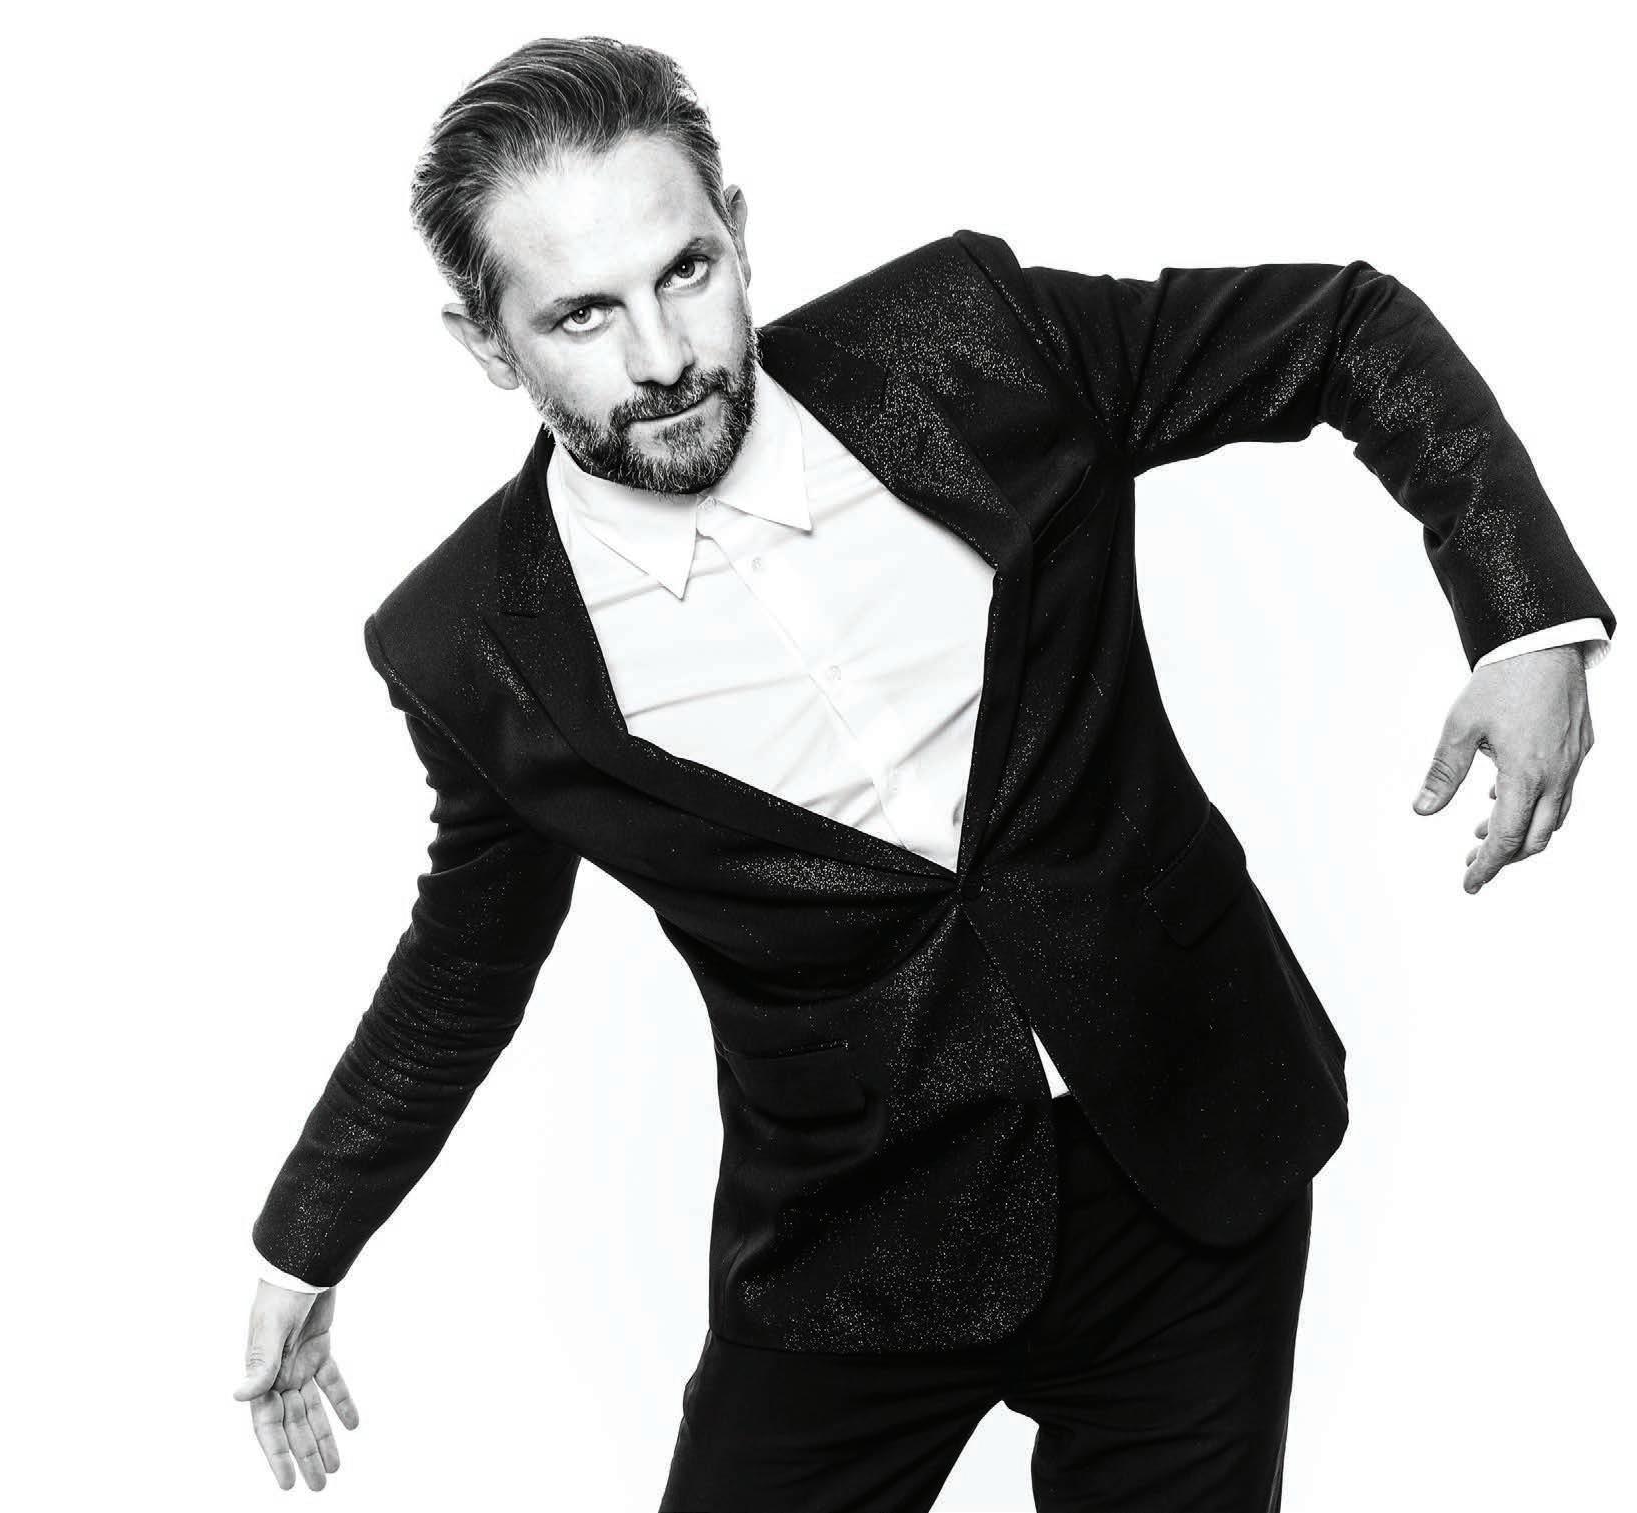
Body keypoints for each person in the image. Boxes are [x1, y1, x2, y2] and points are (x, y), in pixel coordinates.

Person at [232, 34, 1613, 1511]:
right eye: (582, 313)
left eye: (686, 271)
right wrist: (304, 1242)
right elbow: (465, 961)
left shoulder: (966, 343)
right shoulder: (471, 643)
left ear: (739, 231)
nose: (664, 356)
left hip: (1192, 1147)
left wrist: (1525, 618)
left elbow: (1341, 329)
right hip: (854, 1247)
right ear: (488, 344)